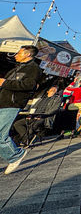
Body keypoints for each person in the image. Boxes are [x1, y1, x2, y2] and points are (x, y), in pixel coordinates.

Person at [0, 45, 44, 174]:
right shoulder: (17, 68)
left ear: (27, 54)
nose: (16, 55)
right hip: (3, 102)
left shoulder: (33, 69)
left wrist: (4, 83)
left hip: (12, 104)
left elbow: (29, 85)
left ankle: (16, 155)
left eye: (19, 53)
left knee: (0, 134)